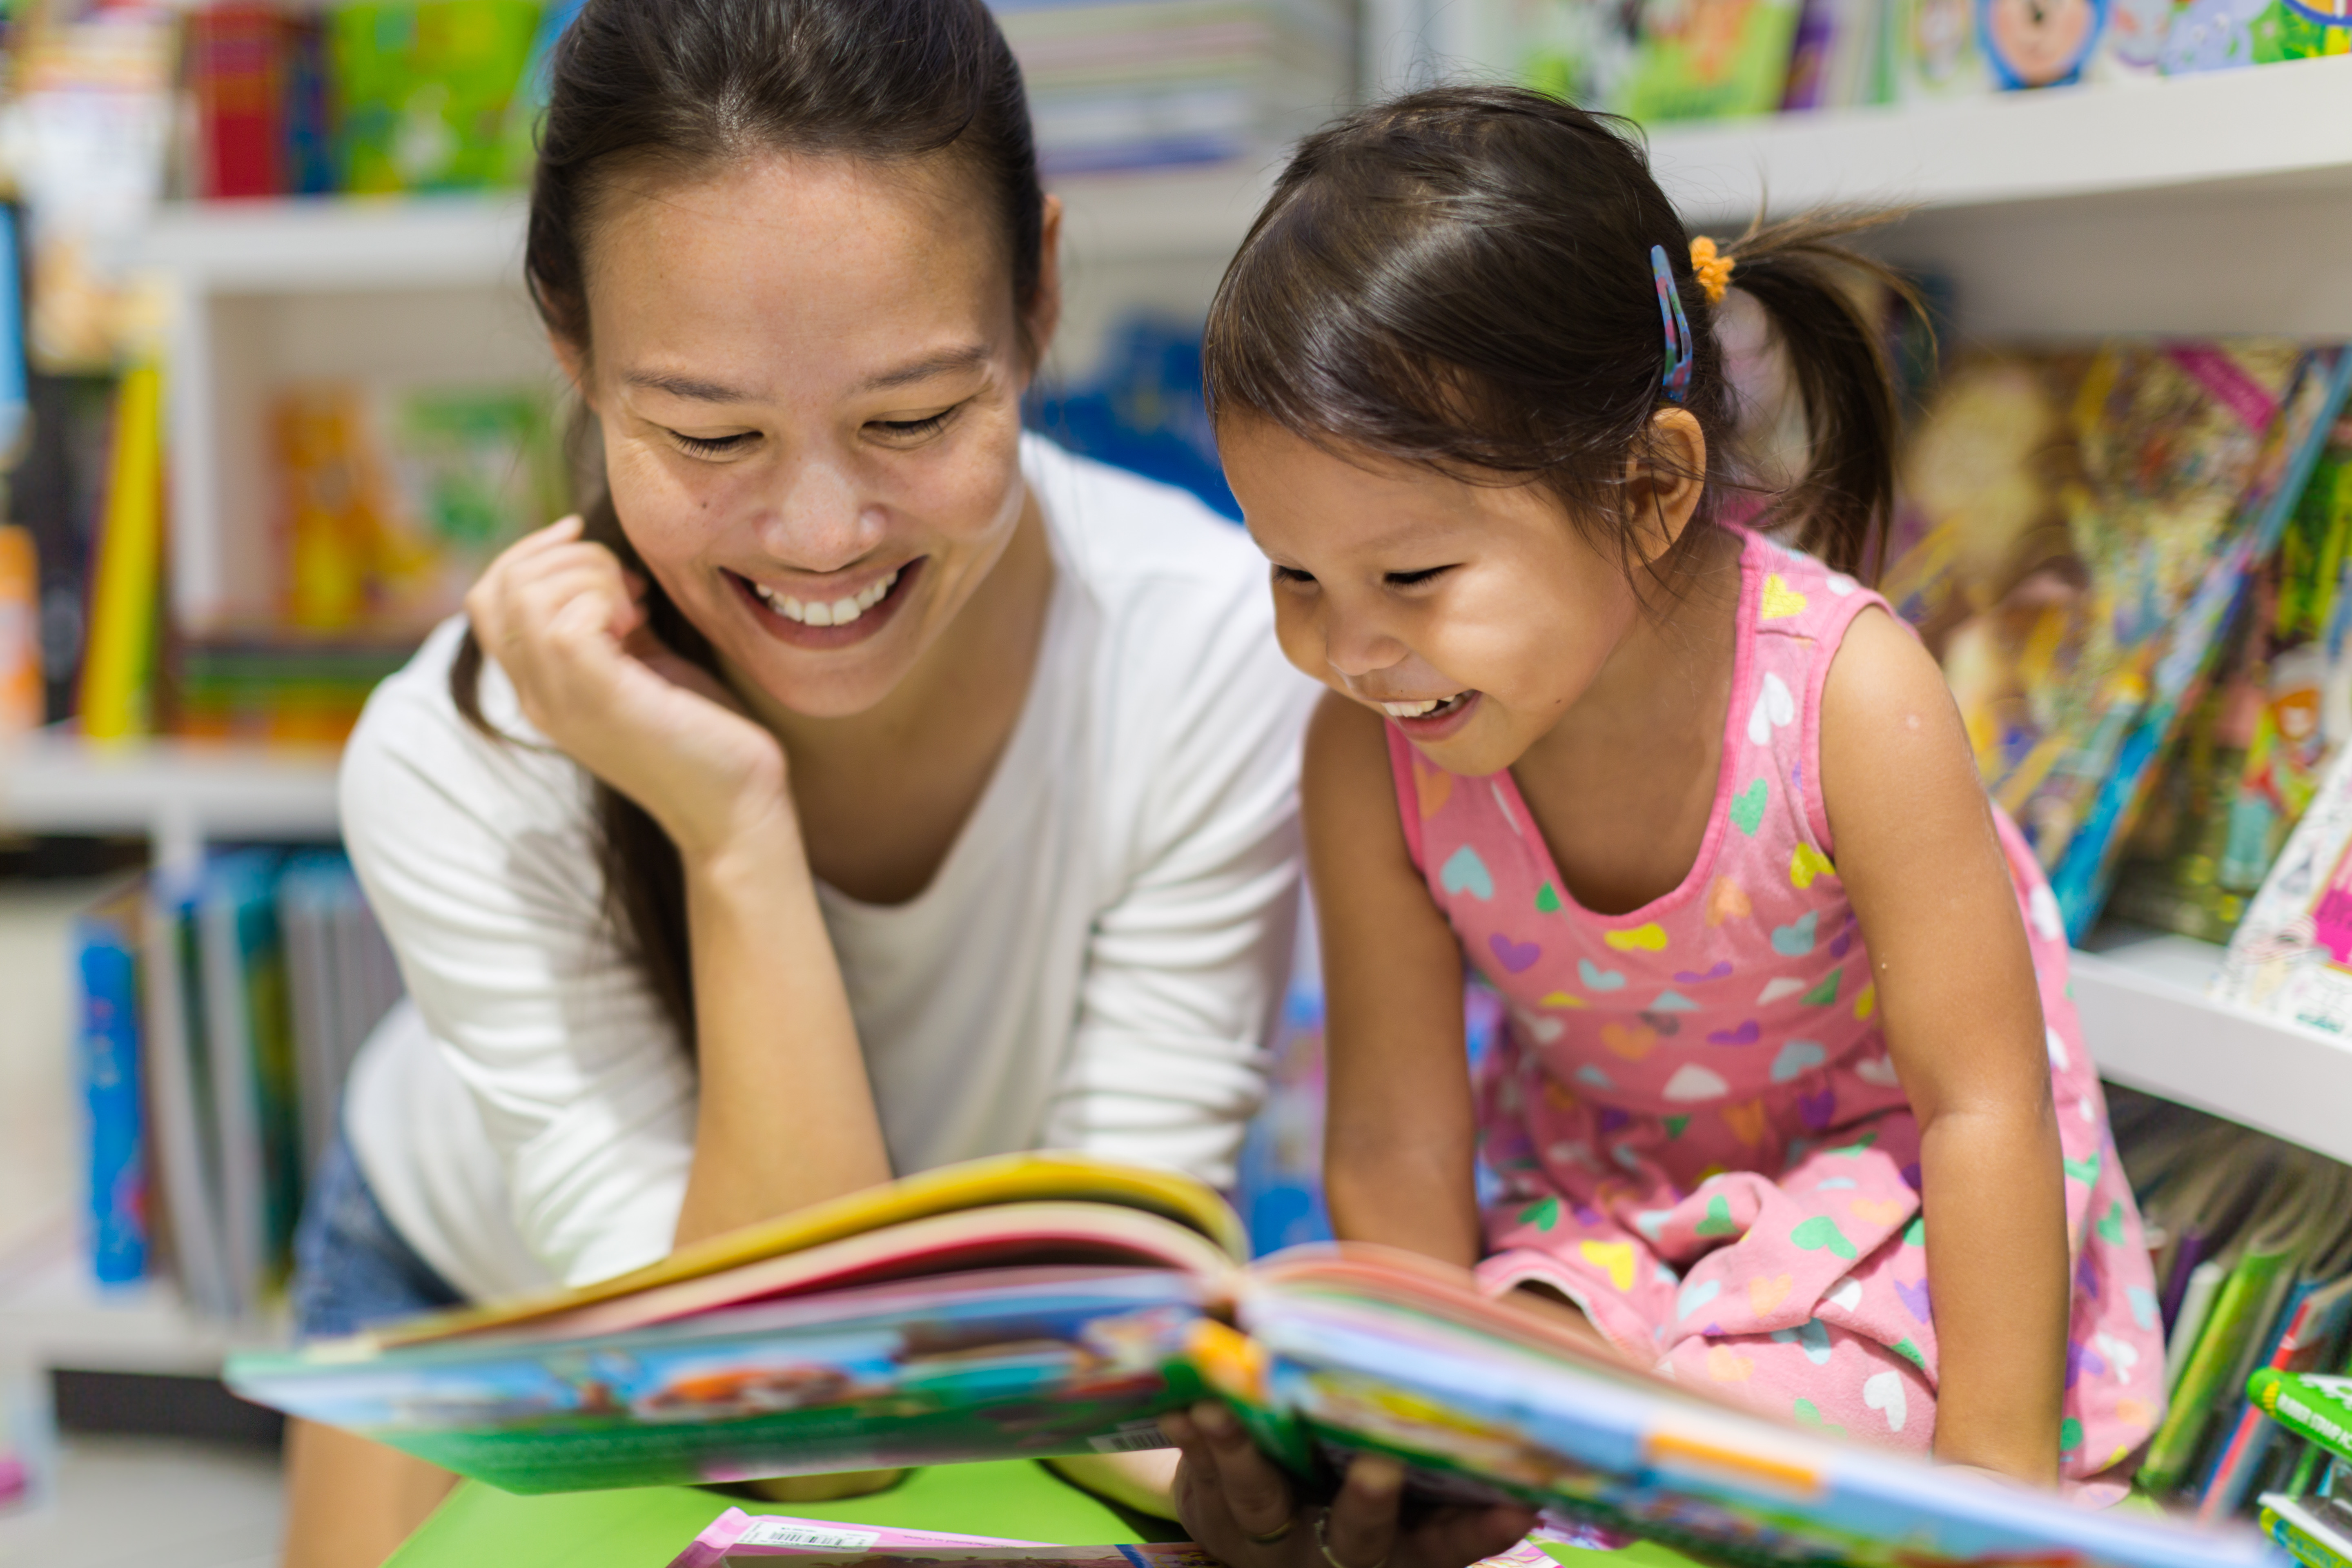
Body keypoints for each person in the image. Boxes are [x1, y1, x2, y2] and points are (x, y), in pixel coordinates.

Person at [281, 1, 1315, 1562]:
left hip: (960, 1354)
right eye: (711, 433)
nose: (822, 532)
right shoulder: (461, 761)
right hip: (470, 1287)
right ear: (569, 343)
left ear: (1039, 294)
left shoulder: (1213, 657)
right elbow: (786, 1433)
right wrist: (732, 827)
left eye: (912, 417)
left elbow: (1100, 1322)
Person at [1163, 83, 2167, 1568]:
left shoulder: (1851, 698)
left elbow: (1983, 1111)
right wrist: (1402, 1415)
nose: (1349, 649)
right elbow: (1393, 1132)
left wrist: (1995, 1491)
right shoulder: (1368, 752)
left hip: (1879, 1202)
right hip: (1604, 1212)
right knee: (1464, 1400)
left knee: (1755, 1422)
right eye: (1294, 575)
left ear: (1649, 488)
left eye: (1415, 577)